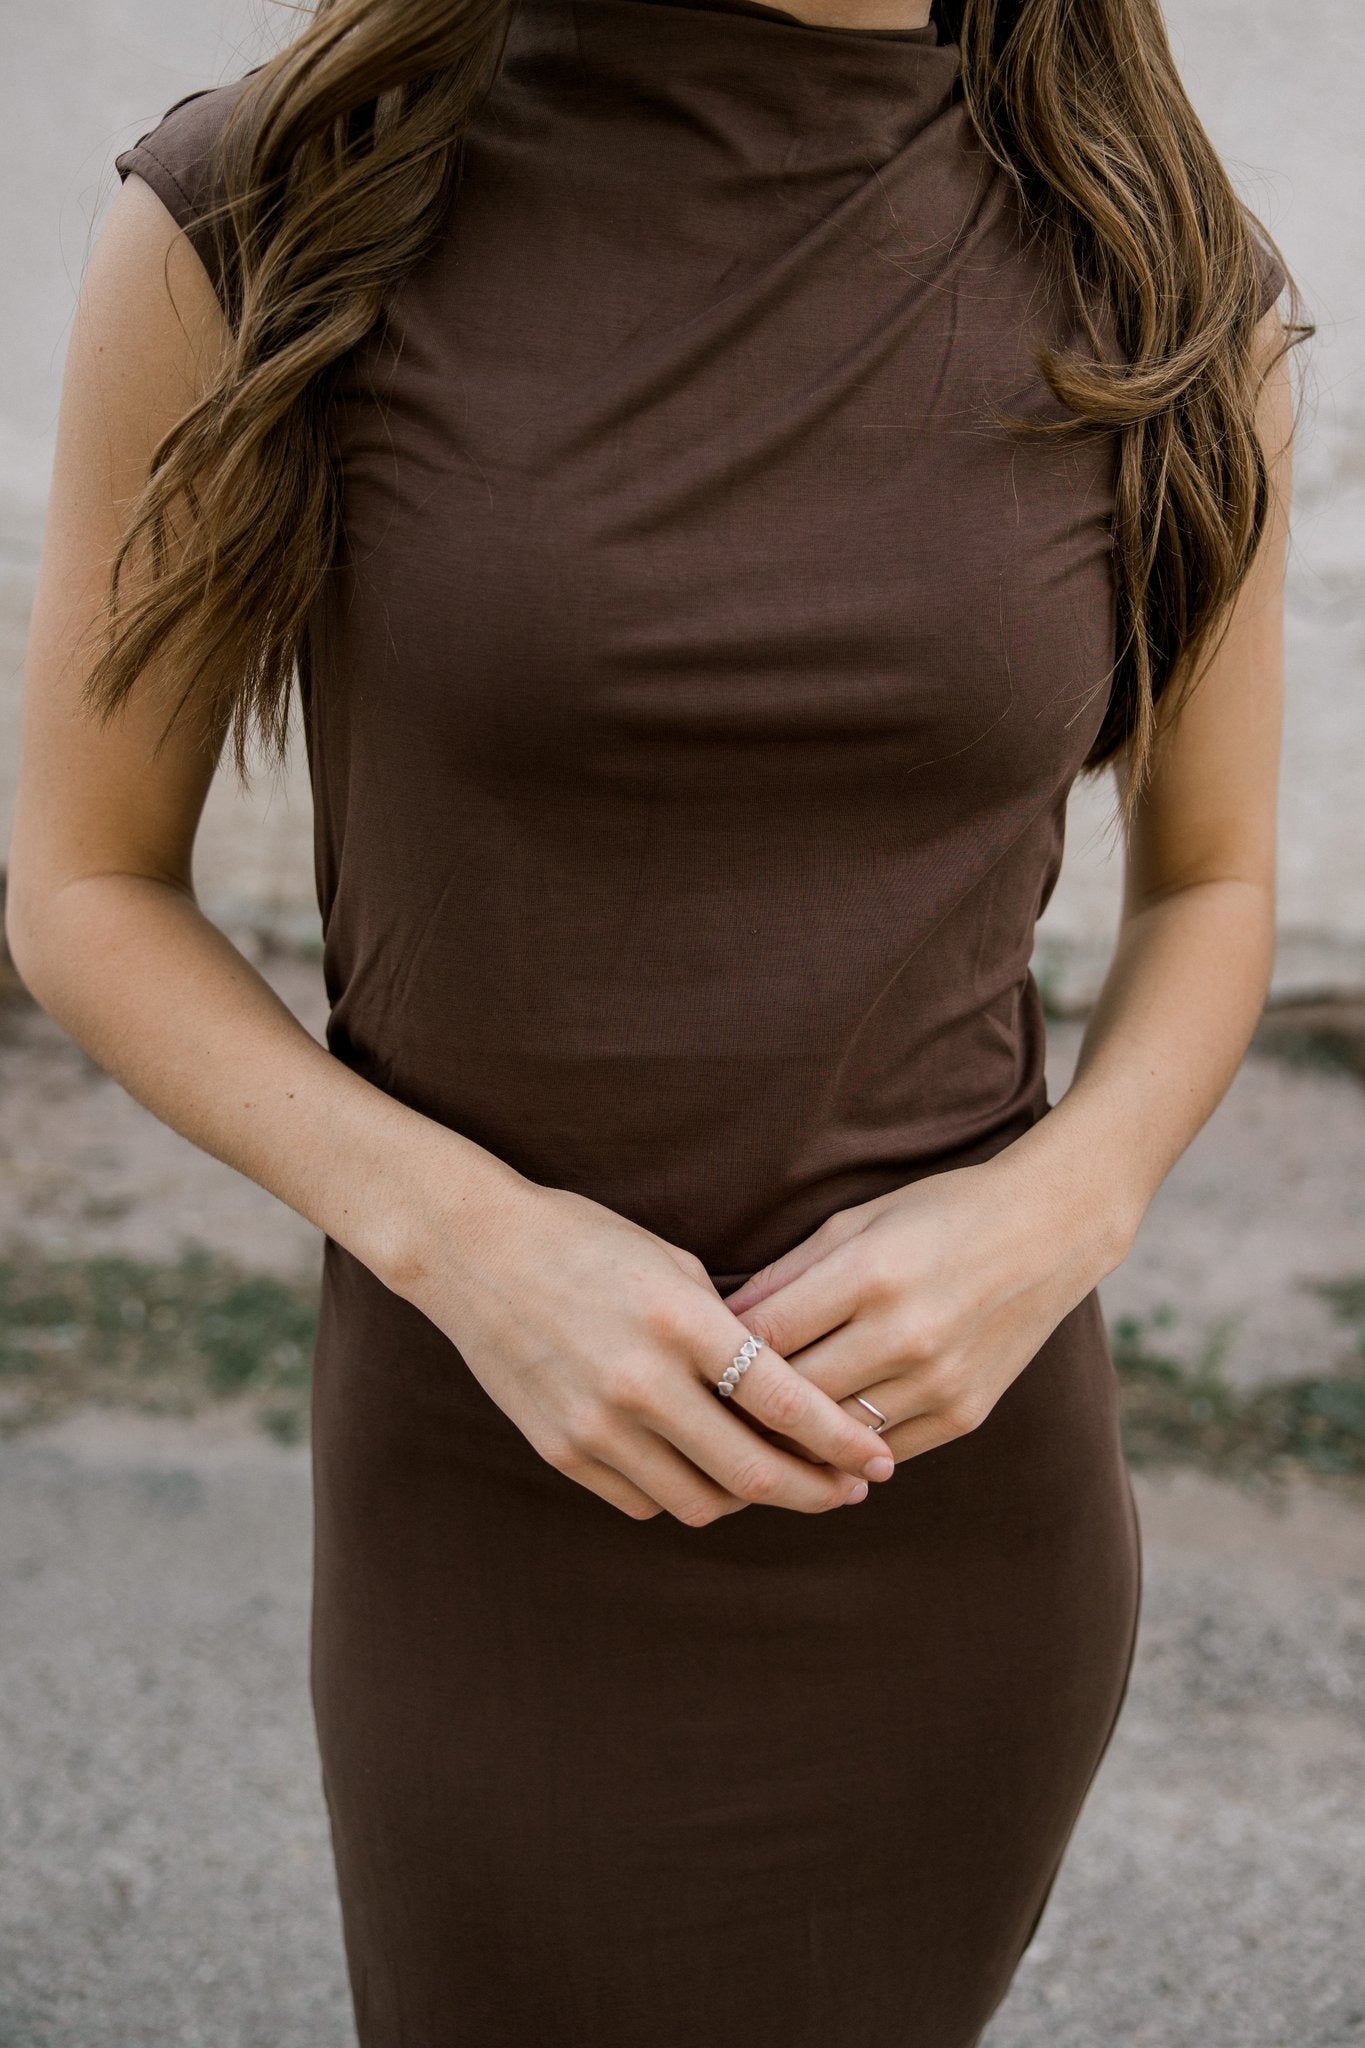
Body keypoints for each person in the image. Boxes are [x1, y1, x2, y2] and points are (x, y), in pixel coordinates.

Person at [7, 0, 1308, 2039]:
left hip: (951, 1502)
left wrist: (1065, 1206)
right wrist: (462, 1237)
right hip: (487, 1494)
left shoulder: (1157, 264)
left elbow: (1214, 878)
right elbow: (84, 886)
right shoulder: (273, 202)